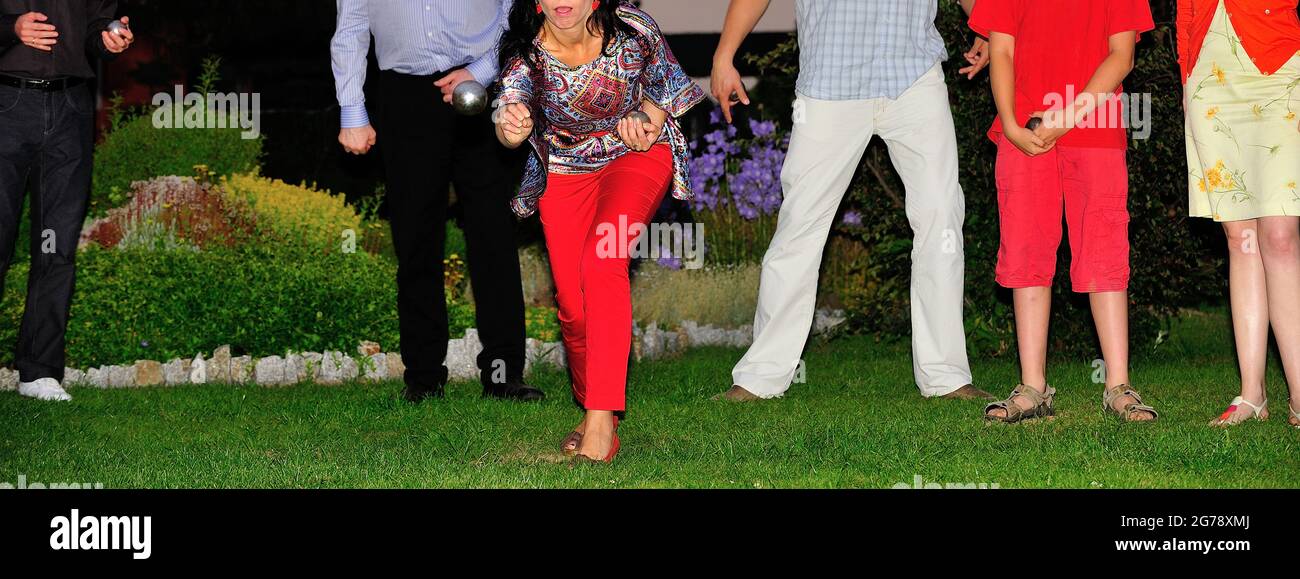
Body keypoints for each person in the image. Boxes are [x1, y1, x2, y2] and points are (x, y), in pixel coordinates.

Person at [710, 0, 992, 402]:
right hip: (829, 81)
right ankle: (760, 377)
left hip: (913, 76)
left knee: (942, 218)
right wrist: (724, 55)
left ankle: (946, 375)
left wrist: (986, 23)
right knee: (799, 227)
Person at [495, 0, 705, 463]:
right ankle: (595, 410)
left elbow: (667, 87)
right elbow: (508, 118)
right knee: (573, 306)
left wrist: (647, 122)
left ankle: (599, 424)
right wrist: (510, 127)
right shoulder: (524, 55)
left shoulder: (633, 28)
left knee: (603, 261)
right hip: (565, 172)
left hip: (634, 157)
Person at [331, 0, 543, 403]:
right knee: (414, 239)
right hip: (404, 96)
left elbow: (514, 15)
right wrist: (352, 112)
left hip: (483, 89)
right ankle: (424, 378)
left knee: (492, 235)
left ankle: (502, 374)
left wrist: (481, 71)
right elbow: (352, 26)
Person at [970, 0, 1158, 423]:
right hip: (1025, 130)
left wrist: (1068, 117)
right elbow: (1000, 49)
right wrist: (1011, 124)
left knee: (1104, 249)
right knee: (1026, 249)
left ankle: (1118, 385)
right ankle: (1032, 386)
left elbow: (1122, 54)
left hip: (1095, 127)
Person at [0, 2, 134, 402]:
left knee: (54, 244)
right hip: (7, 104)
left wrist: (109, 38)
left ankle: (39, 371)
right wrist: (11, 28)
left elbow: (94, 26)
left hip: (70, 110)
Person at [1179, 0, 1300, 427]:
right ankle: (1253, 395)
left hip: (1280, 65)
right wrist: (1185, 78)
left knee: (1281, 234)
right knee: (1240, 238)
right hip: (1208, 76)